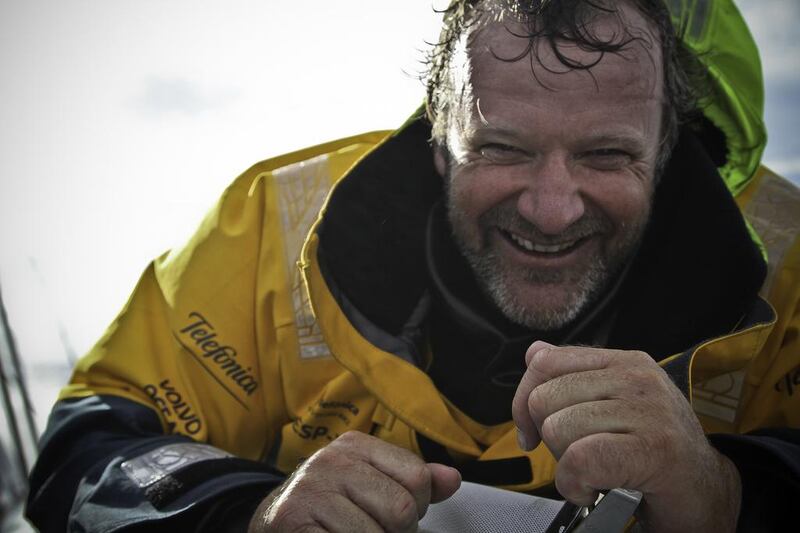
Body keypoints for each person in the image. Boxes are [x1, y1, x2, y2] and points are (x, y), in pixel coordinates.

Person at [25, 0, 800, 531]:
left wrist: (731, 494)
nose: (552, 208)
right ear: (438, 143)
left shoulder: (788, 268)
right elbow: (88, 440)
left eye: (606, 155)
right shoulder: (273, 226)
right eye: (502, 148)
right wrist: (247, 514)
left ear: (666, 156)